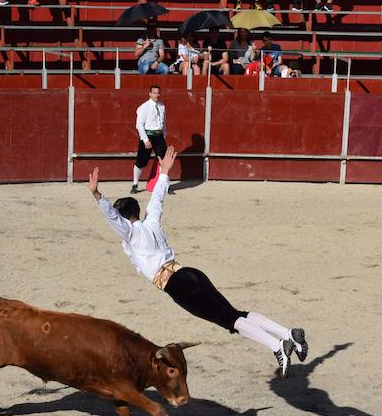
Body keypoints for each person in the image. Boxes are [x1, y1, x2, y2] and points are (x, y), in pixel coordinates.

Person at [88, 147, 309, 378]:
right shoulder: (150, 222)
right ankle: (288, 333)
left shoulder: (131, 235)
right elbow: (157, 199)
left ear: (123, 218)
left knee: (231, 321)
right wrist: (164, 173)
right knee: (235, 313)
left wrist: (97, 196)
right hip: (189, 272)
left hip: (178, 286)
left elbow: (115, 219)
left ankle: (278, 347)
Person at [131, 84, 167, 194]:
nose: (157, 95)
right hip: (148, 135)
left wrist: (164, 136)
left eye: (158, 93)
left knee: (163, 161)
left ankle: (163, 186)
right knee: (141, 161)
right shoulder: (143, 107)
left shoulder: (162, 106)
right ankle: (135, 184)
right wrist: (145, 140)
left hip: (159, 136)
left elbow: (163, 123)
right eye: (154, 93)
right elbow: (139, 125)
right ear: (150, 94)